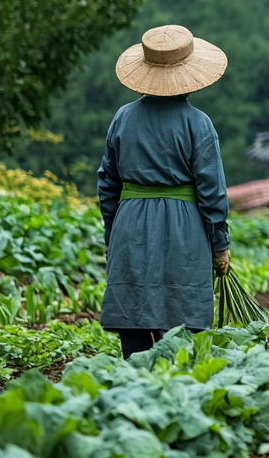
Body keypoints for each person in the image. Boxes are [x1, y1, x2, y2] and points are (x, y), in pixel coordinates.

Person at [97, 25, 231, 360]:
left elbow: (107, 182)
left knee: (134, 309)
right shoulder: (198, 123)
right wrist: (220, 244)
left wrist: (111, 235)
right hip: (183, 226)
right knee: (183, 311)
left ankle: (138, 381)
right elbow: (212, 191)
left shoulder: (122, 118)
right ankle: (178, 385)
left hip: (130, 222)